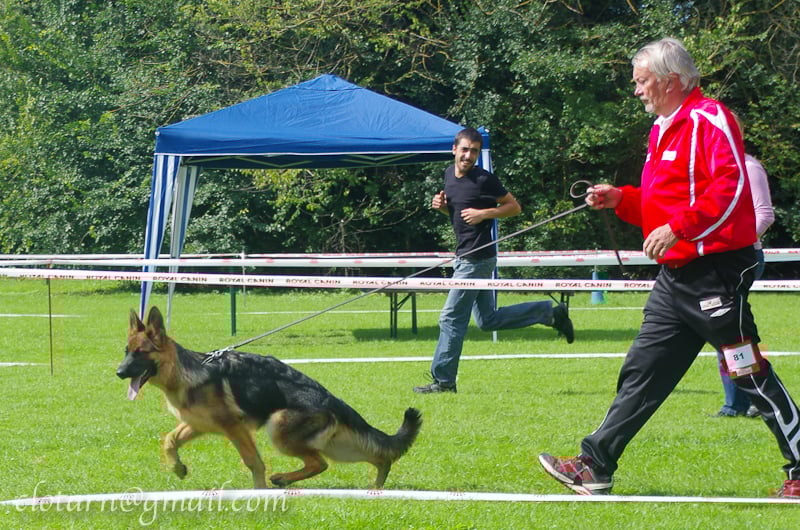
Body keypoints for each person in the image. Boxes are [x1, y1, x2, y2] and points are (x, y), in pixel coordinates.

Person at [538, 38, 800, 498]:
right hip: (676, 277)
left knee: (746, 369)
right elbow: (662, 203)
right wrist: (620, 198)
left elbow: (731, 190)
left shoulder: (710, 118)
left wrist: (680, 228)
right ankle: (594, 465)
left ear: (670, 80)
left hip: (716, 271)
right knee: (643, 369)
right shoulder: (661, 129)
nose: (636, 90)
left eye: (642, 81)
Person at [413, 127, 574, 394]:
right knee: (487, 320)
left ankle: (444, 382)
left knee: (450, 318)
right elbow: (458, 215)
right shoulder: (448, 176)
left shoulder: (484, 180)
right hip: (465, 256)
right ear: (454, 150)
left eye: (474, 151)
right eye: (465, 150)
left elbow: (514, 207)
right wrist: (442, 208)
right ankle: (549, 313)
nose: (468, 156)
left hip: (476, 258)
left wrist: (484, 213)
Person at [715, 113, 775, 418]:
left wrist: (734, 242)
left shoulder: (749, 168)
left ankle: (750, 400)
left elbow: (764, 214)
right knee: (726, 333)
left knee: (730, 334)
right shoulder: (716, 171)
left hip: (742, 258)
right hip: (720, 260)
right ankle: (741, 402)